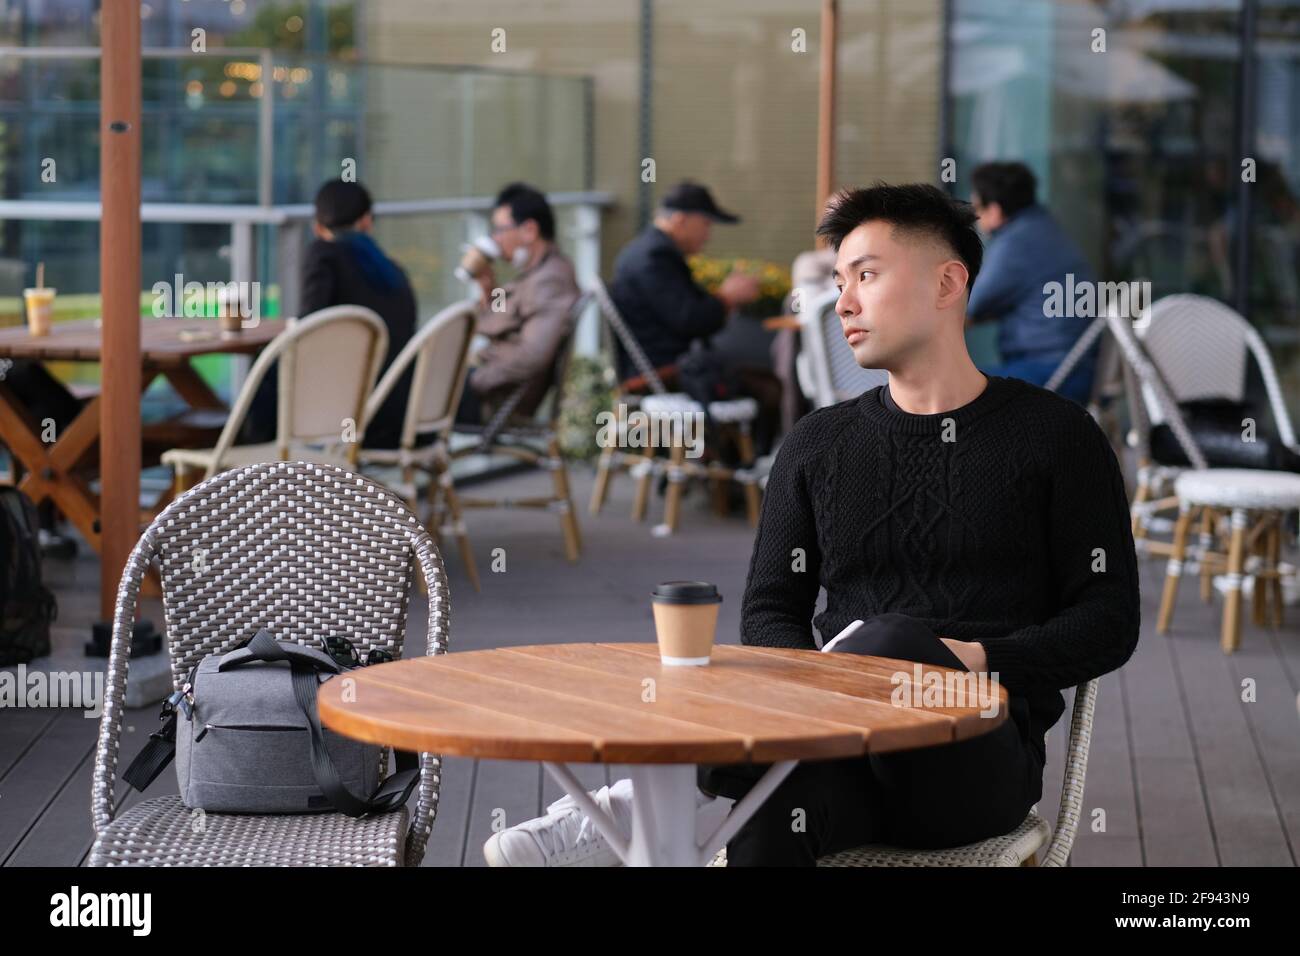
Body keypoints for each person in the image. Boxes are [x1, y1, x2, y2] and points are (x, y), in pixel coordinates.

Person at [483, 182, 1140, 867]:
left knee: (890, 639)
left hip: (972, 760)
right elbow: (771, 610)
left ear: (948, 283)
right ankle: (707, 789)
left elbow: (1108, 619)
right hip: (828, 753)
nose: (844, 303)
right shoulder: (818, 444)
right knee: (768, 825)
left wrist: (972, 659)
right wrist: (822, 701)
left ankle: (662, 792)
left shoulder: (1057, 437)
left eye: (867, 275)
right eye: (838, 280)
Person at [609, 181, 781, 457]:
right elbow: (690, 320)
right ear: (680, 220)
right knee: (769, 386)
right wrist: (727, 297)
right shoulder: (655, 256)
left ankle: (720, 476)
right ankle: (743, 480)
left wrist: (723, 300)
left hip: (656, 365)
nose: (708, 235)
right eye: (706, 224)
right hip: (659, 371)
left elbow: (686, 313)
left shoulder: (648, 251)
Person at [246, 179, 417, 450]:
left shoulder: (325, 255)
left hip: (348, 418)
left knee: (266, 369)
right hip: (398, 413)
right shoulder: (394, 272)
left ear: (318, 225)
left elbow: (309, 329)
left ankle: (248, 468)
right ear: (367, 221)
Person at [967, 161, 1098, 404]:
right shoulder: (1045, 228)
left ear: (994, 211)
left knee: (952, 386)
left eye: (977, 208)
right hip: (1078, 368)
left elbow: (966, 309)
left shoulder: (1015, 245)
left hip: (1051, 372)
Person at [454, 183, 581, 426]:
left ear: (529, 230)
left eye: (500, 229)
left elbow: (532, 356)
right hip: (494, 390)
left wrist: (472, 379)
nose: (496, 239)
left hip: (496, 402)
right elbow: (501, 319)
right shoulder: (535, 272)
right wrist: (489, 290)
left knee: (411, 387)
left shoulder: (550, 280)